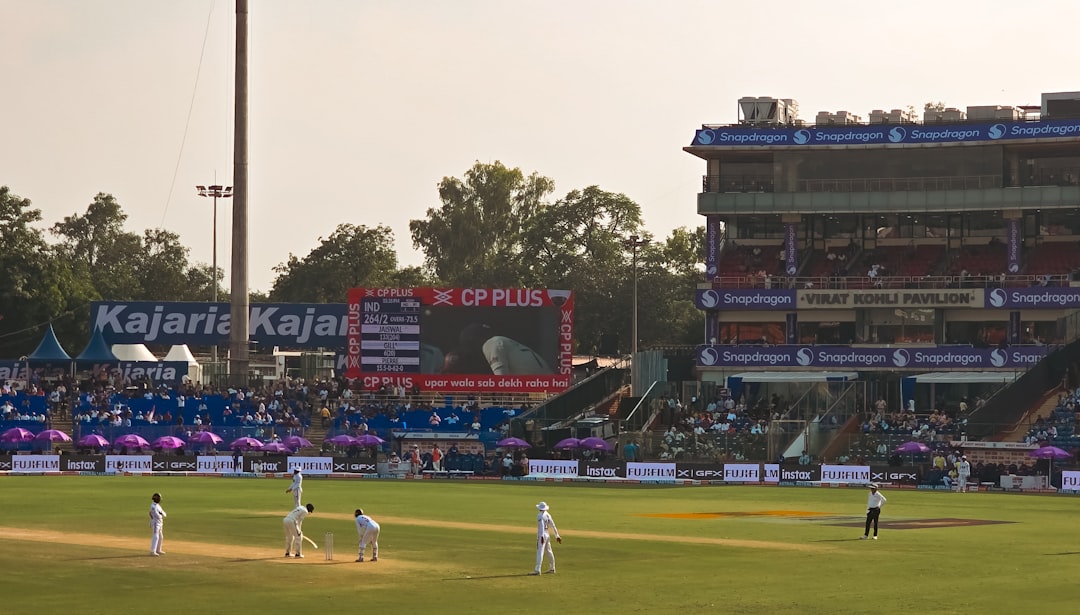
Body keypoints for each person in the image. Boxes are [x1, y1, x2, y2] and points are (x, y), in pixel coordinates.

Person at [530, 501, 562, 575]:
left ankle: (537, 570)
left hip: (543, 534)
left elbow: (541, 526)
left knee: (540, 552)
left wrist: (541, 537)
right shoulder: (548, 515)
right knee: (549, 551)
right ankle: (552, 568)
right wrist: (557, 535)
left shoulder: (539, 515)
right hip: (547, 534)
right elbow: (553, 525)